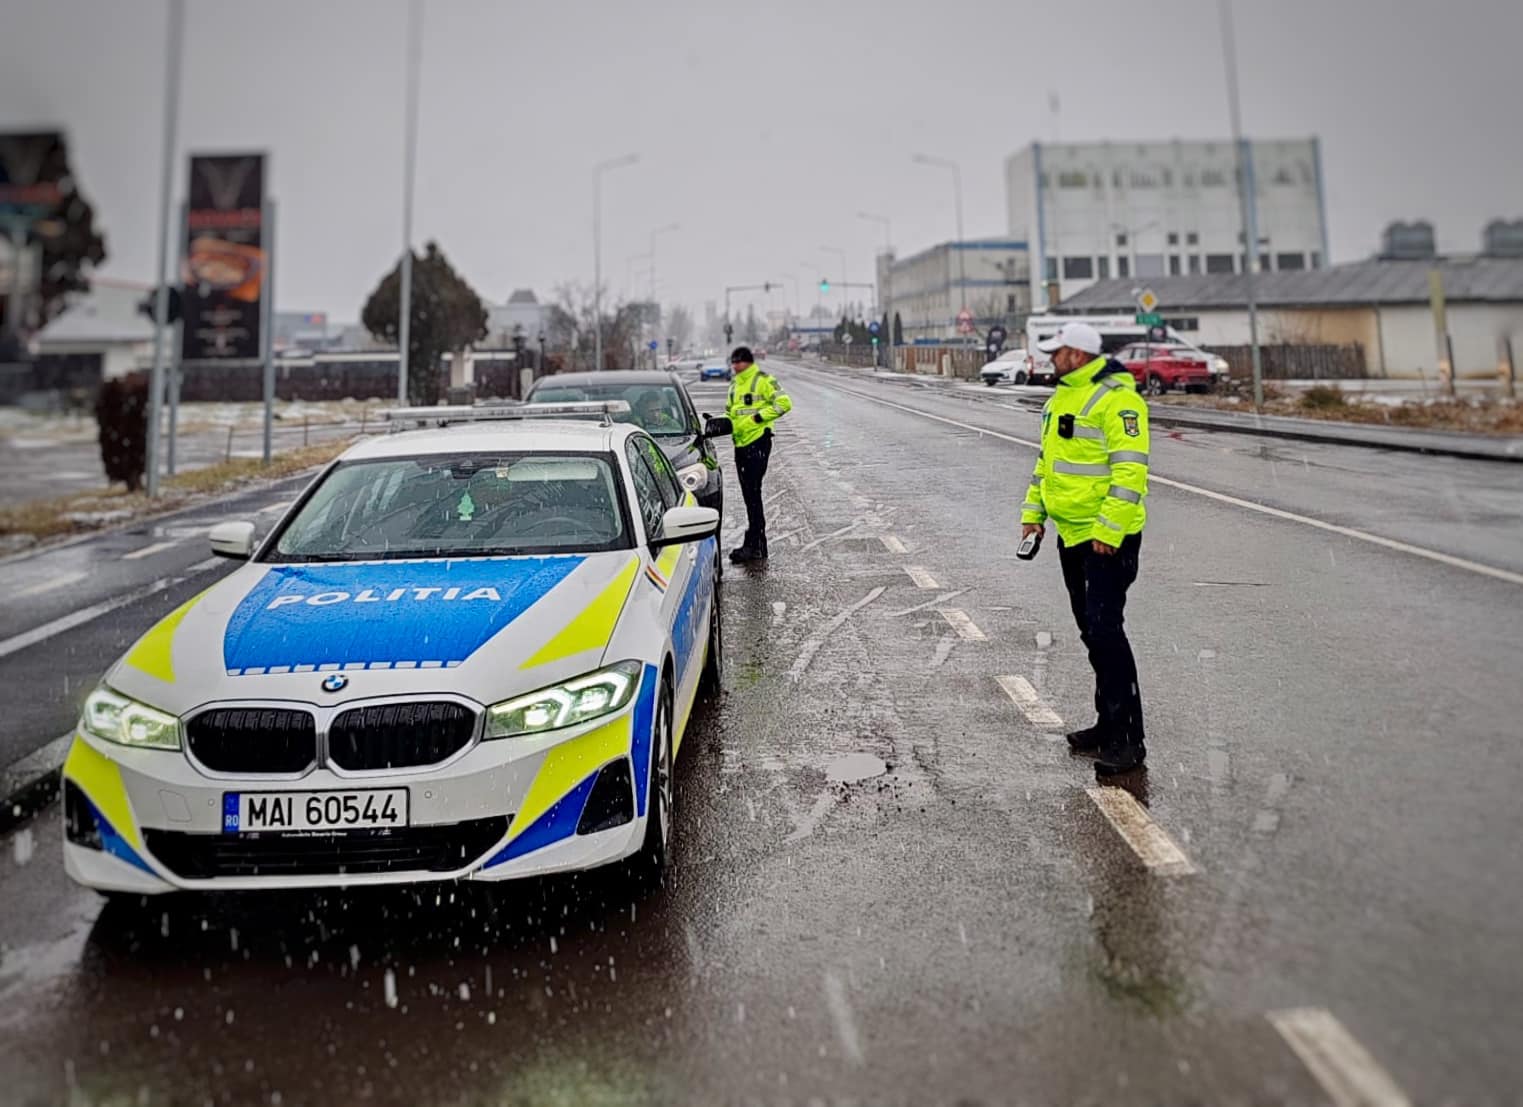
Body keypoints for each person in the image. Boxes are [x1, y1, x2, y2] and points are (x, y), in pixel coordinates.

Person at [1019, 322, 1150, 776]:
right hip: (1071, 535)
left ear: (1077, 354)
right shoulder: (1060, 399)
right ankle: (1106, 723)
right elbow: (1046, 465)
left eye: (1058, 352)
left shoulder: (1119, 400)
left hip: (1106, 541)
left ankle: (1129, 740)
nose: (1052, 359)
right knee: (1092, 632)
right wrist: (1033, 515)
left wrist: (1110, 532)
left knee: (1106, 631)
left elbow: (1129, 472)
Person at [723, 346, 792, 563]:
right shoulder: (734, 385)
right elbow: (730, 411)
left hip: (758, 441)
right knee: (749, 496)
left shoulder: (763, 380)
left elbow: (784, 403)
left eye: (738, 362)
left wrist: (758, 419)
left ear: (748, 362)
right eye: (733, 362)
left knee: (753, 494)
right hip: (740, 443)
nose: (734, 366)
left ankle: (755, 544)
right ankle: (755, 543)